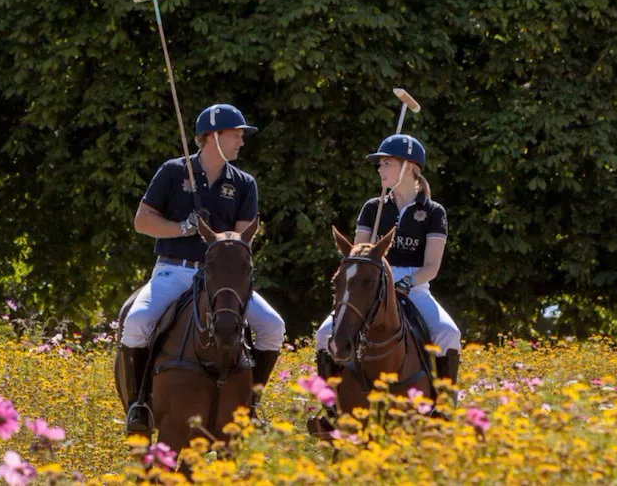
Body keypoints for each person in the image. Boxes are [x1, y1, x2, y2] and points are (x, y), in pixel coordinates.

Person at [117, 103, 285, 433]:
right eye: (235, 134)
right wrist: (184, 227)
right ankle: (139, 406)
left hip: (222, 279)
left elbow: (242, 237)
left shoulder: (244, 183)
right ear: (212, 136)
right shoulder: (173, 171)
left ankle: (251, 405)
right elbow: (143, 222)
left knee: (273, 326)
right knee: (136, 323)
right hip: (173, 270)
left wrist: (218, 239)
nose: (241, 141)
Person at [313, 133, 461, 385]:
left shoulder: (434, 212)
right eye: (379, 164)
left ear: (409, 166)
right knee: (324, 334)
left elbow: (432, 267)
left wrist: (405, 283)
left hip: (414, 286)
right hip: (373, 282)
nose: (380, 168)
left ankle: (445, 410)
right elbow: (357, 255)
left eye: (386, 163)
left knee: (449, 334)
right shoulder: (373, 207)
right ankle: (328, 406)